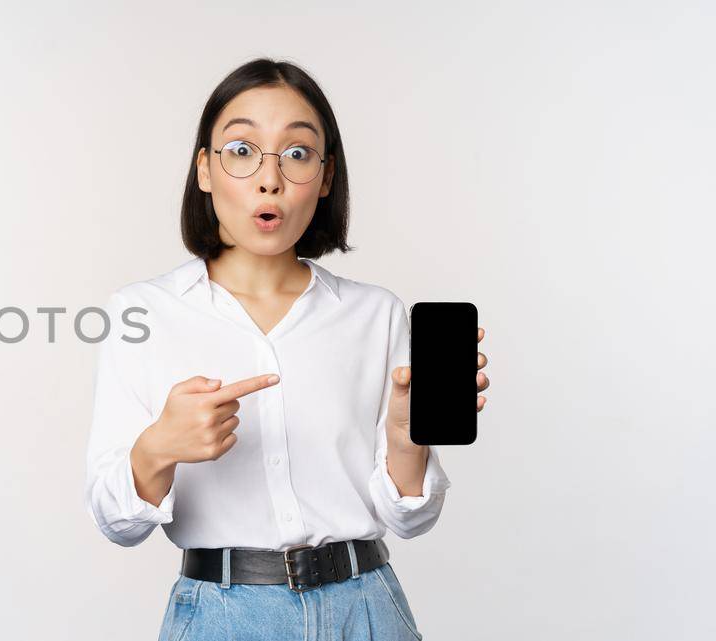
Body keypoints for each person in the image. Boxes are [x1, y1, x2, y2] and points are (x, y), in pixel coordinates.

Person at [82, 58, 492, 641]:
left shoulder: (376, 315)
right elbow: (115, 521)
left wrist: (406, 440)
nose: (270, 179)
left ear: (326, 178)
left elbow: (413, 517)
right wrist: (159, 448)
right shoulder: (141, 314)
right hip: (224, 617)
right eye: (242, 150)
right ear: (204, 169)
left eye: (297, 154)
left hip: (368, 609)